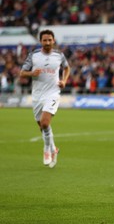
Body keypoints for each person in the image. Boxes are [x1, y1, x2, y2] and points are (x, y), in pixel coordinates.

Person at [20, 30, 70, 168]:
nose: (47, 43)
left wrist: (64, 81)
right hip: (37, 95)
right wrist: (31, 73)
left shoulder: (59, 55)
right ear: (40, 41)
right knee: (42, 127)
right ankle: (54, 149)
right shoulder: (34, 55)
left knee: (45, 123)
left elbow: (67, 68)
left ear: (53, 41)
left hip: (53, 93)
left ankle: (47, 150)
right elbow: (22, 73)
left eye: (50, 40)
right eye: (45, 40)